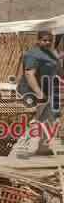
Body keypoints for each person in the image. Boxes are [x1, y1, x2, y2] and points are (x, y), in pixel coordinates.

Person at [15, 30, 63, 158]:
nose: (47, 43)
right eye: (44, 40)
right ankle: (22, 146)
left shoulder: (51, 55)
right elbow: (29, 74)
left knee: (48, 118)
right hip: (32, 92)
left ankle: (42, 147)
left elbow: (59, 71)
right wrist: (39, 93)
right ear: (38, 40)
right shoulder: (33, 54)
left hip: (48, 91)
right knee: (34, 118)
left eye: (50, 40)